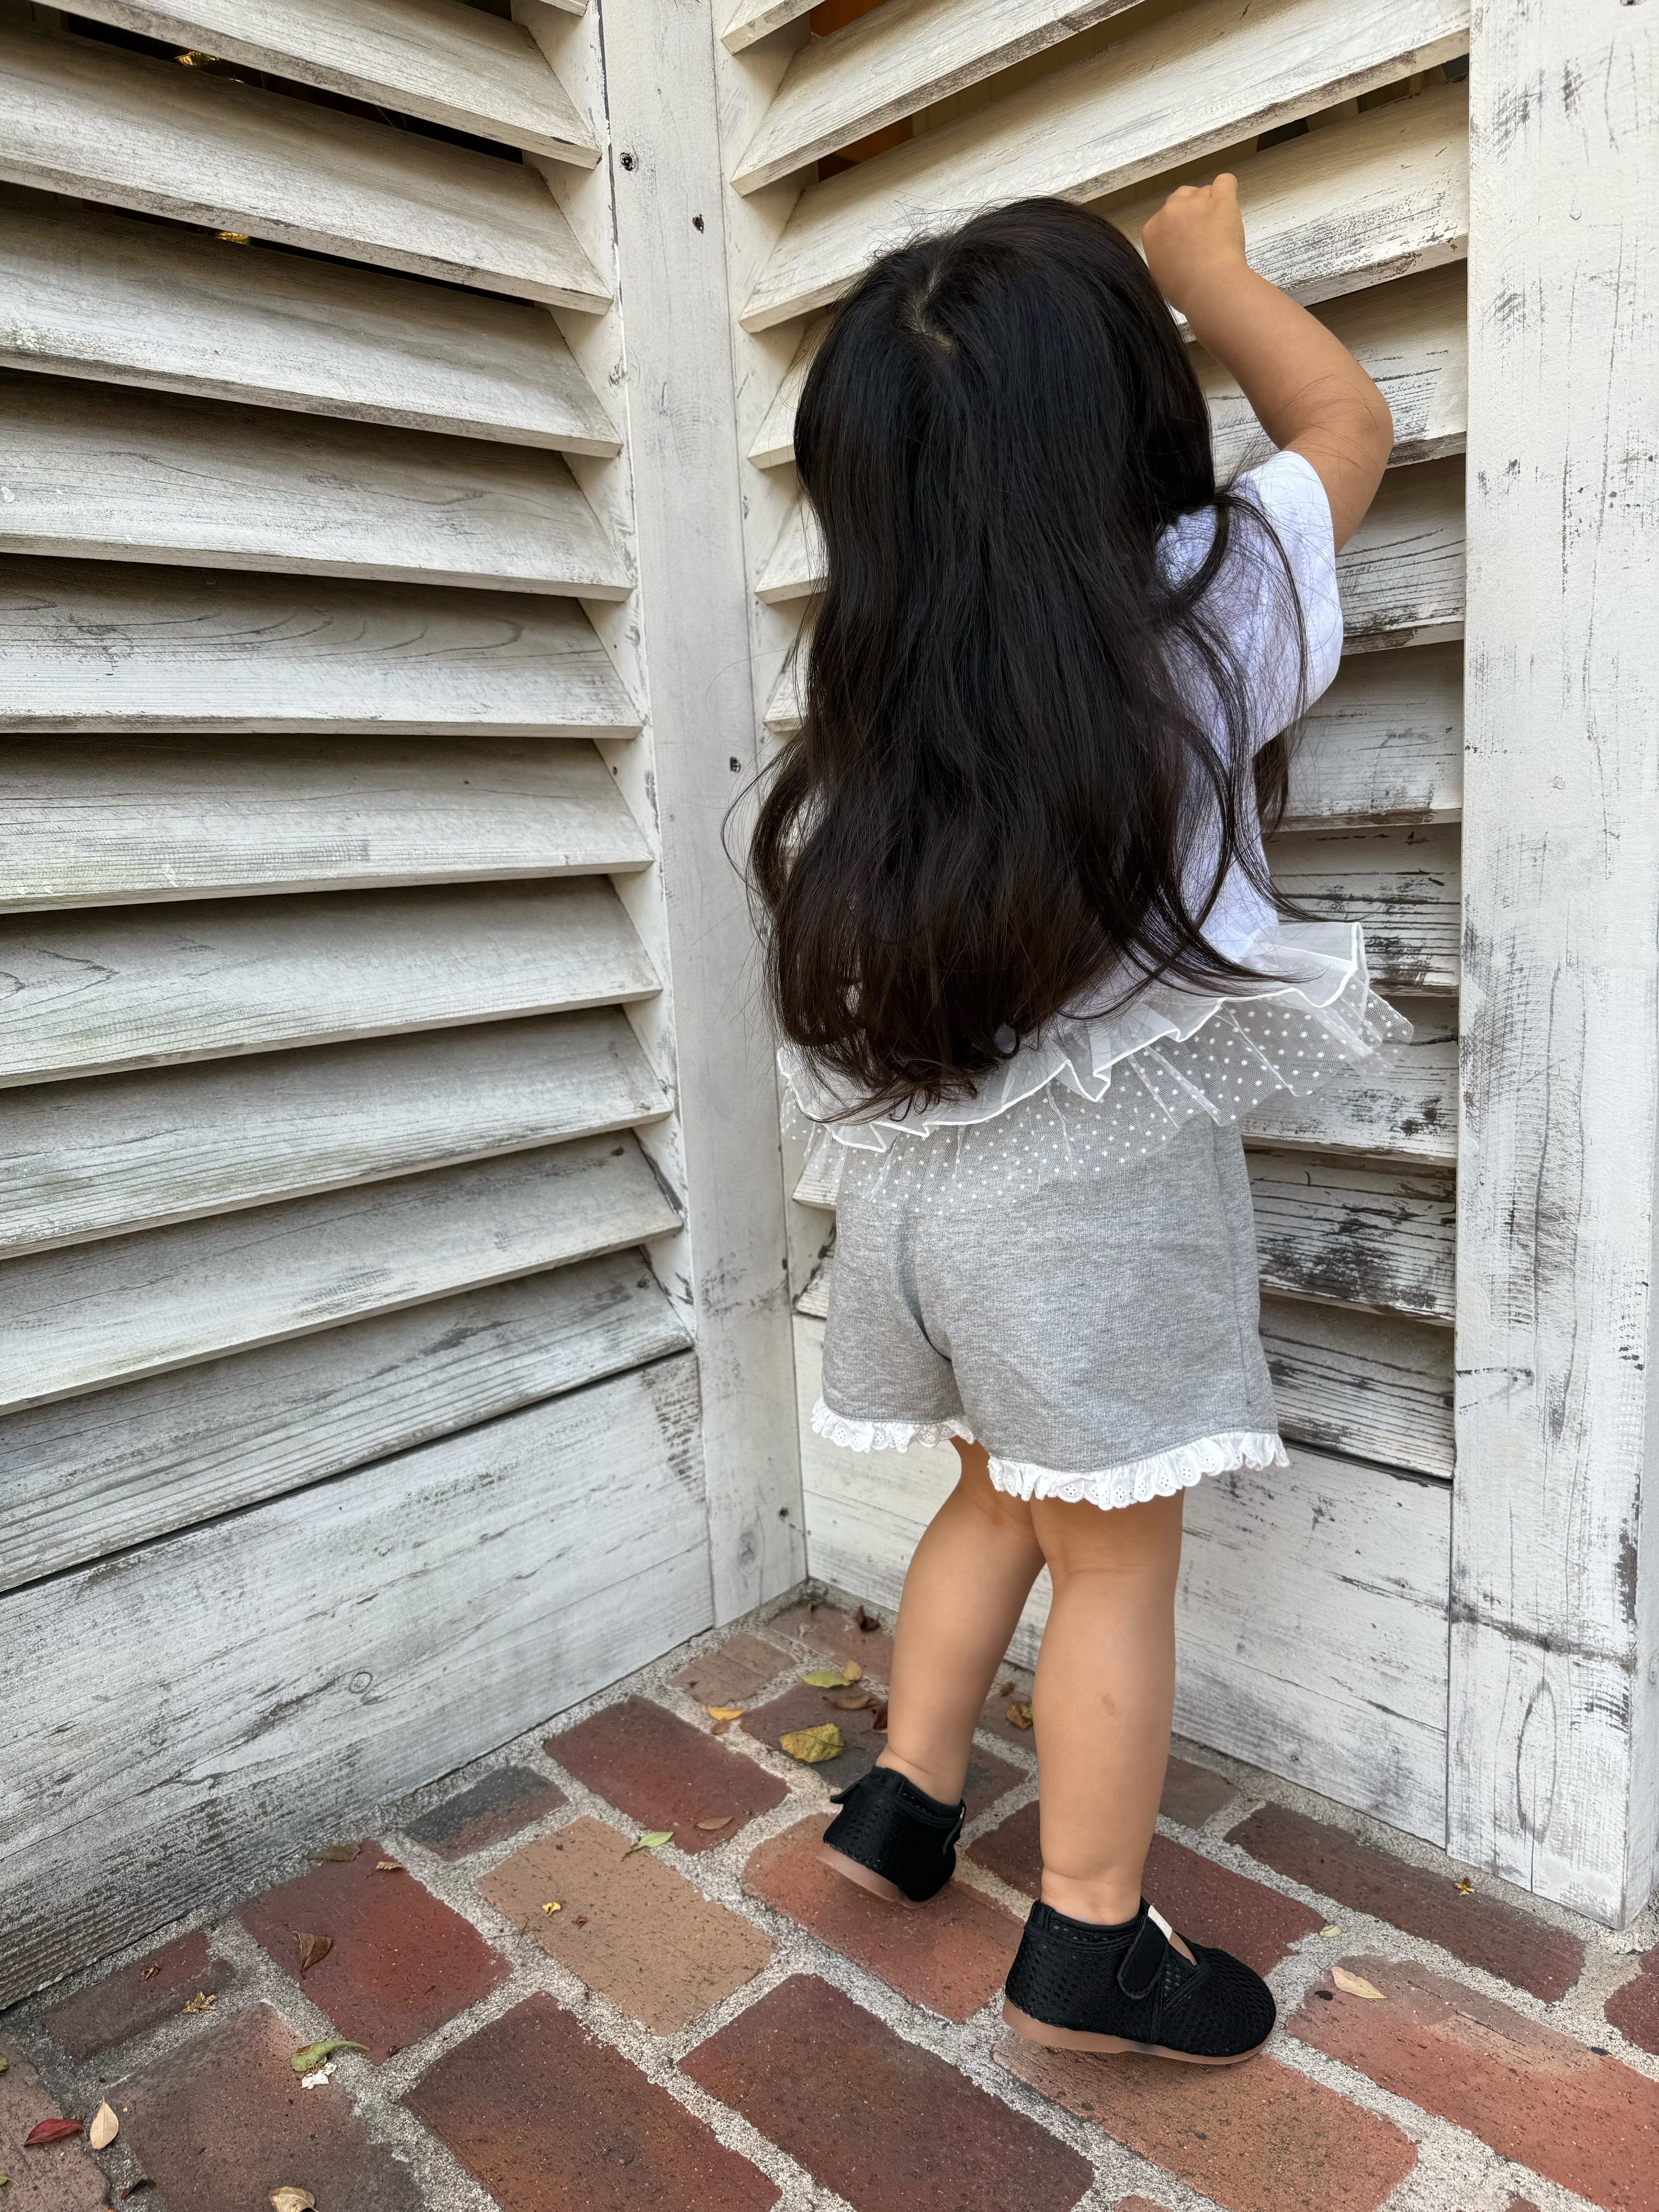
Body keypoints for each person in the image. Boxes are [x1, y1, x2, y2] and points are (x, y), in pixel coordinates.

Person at [749, 177, 1401, 2065]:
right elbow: (1347, 424)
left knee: (994, 1496)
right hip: (1092, 1197)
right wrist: (1214, 277)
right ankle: (1093, 1943)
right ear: (1126, 422)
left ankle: (902, 1806)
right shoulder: (1204, 612)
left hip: (916, 1193)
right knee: (1116, 1557)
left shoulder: (881, 708)